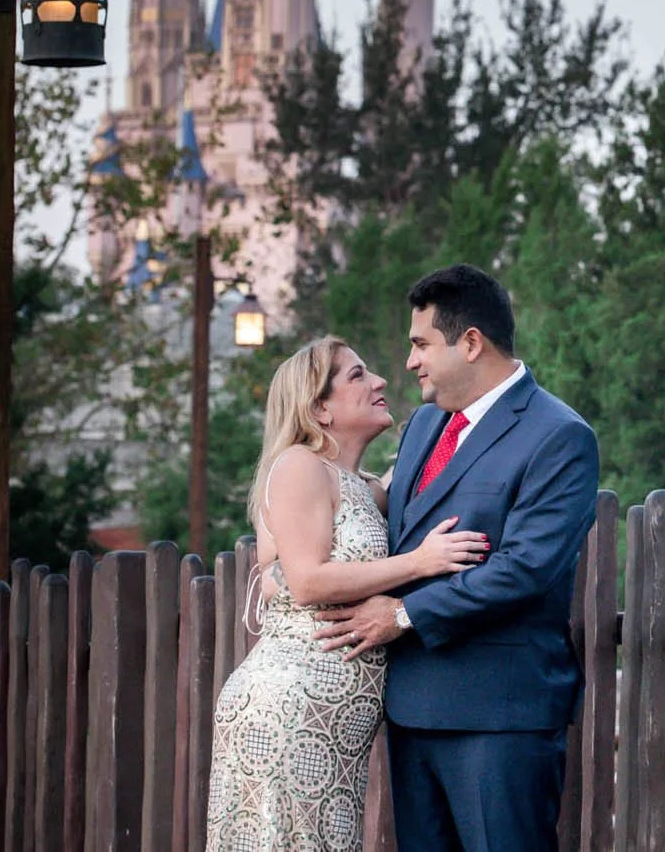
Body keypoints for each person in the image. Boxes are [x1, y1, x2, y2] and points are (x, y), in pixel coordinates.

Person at [312, 264, 600, 852]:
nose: (409, 362)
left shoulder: (559, 435)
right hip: (412, 710)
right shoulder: (423, 426)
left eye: (421, 345)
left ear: (470, 343)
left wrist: (401, 616)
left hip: (500, 716)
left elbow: (524, 569)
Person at [206, 335, 489, 852]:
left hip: (332, 730)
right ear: (319, 408)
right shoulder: (299, 465)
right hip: (290, 712)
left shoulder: (362, 485)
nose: (379, 381)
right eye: (357, 375)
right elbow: (307, 580)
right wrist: (420, 561)